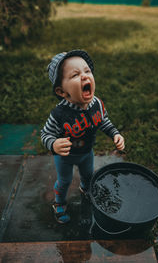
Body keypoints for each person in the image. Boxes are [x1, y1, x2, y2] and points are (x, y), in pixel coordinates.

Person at [41, 50, 125, 224]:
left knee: (88, 175)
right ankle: (59, 203)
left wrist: (115, 133)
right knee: (64, 181)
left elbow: (103, 121)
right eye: (75, 74)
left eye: (87, 71)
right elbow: (45, 134)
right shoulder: (59, 114)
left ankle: (86, 189)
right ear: (62, 91)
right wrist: (53, 143)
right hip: (65, 157)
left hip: (87, 152)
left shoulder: (97, 104)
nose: (85, 76)